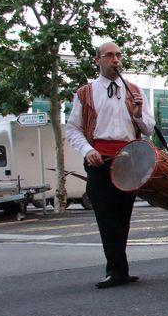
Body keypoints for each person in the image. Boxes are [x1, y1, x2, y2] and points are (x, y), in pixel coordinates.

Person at [65, 42, 155, 288]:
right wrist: (87, 150)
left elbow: (148, 128)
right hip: (100, 160)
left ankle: (119, 270)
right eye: (109, 56)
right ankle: (116, 270)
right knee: (106, 215)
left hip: (128, 160)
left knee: (122, 215)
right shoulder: (85, 92)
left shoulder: (134, 90)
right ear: (98, 60)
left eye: (118, 55)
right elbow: (72, 128)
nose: (115, 59)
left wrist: (138, 114)